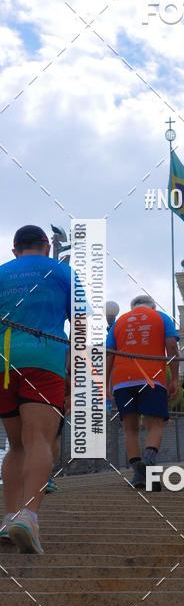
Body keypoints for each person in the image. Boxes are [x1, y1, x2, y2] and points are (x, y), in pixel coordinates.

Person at [0, 226, 73, 553]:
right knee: (39, 439)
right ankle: (28, 516)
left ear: (15, 250)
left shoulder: (2, 273)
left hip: (3, 359)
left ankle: (8, 517)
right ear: (46, 246)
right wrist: (76, 378)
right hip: (44, 358)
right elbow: (83, 324)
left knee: (15, 444)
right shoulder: (62, 271)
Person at [106, 295, 179, 491]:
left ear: (132, 307)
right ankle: (148, 462)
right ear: (152, 306)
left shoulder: (119, 322)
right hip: (152, 377)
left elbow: (109, 354)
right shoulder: (161, 317)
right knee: (154, 425)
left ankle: (139, 475)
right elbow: (172, 346)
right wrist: (175, 378)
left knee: (130, 429)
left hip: (122, 380)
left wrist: (105, 384)